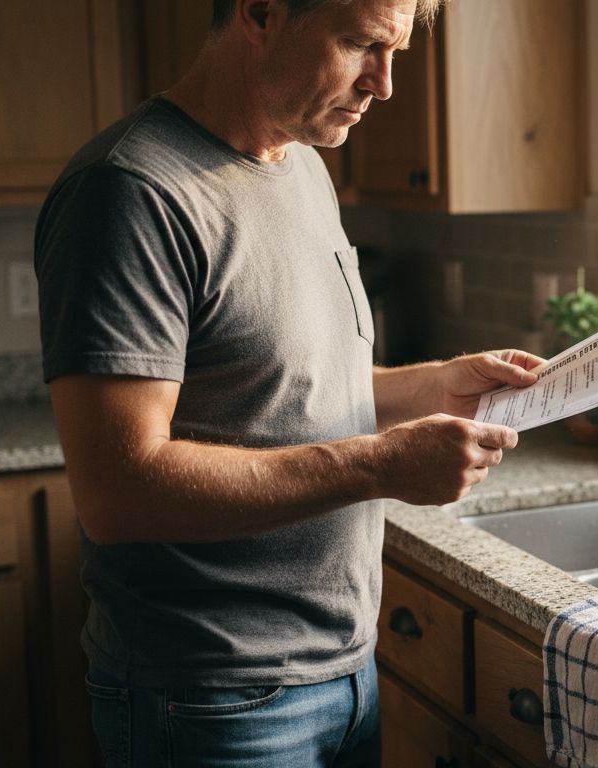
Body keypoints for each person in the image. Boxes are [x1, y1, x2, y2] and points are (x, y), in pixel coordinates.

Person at [34, 0, 539, 764]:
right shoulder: (130, 191)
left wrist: (433, 387)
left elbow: (287, 386)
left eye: (395, 51)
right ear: (261, 11)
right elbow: (118, 489)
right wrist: (381, 465)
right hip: (210, 700)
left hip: (345, 673)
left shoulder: (302, 164)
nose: (384, 83)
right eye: (361, 44)